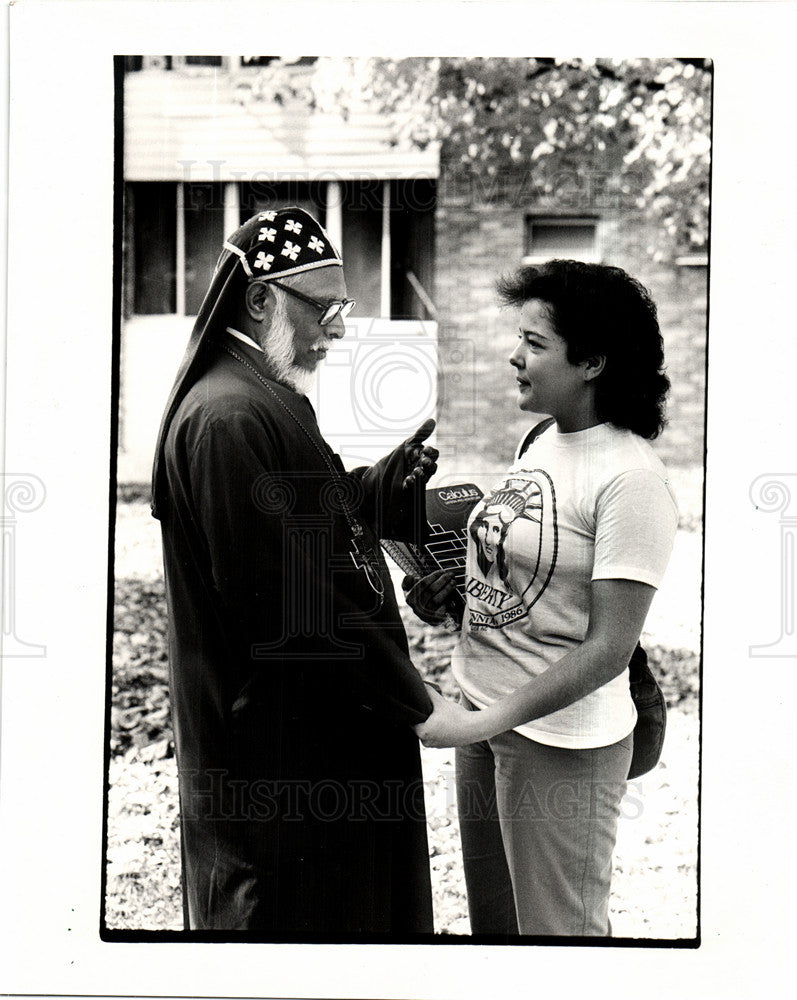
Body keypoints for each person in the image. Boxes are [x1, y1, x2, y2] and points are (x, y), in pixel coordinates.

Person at [151, 207, 440, 937]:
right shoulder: (228, 418)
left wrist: (386, 484)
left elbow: (315, 520)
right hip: (272, 759)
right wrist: (414, 698)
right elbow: (283, 598)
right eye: (324, 308)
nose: (336, 328)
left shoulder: (261, 396)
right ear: (259, 299)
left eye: (340, 308)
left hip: (308, 743)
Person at [408, 260, 678, 937]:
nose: (513, 354)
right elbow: (530, 582)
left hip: (559, 740)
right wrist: (456, 595)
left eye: (533, 342)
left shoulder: (631, 478)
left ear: (590, 361)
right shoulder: (539, 438)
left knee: (559, 942)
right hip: (482, 709)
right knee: (495, 937)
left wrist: (477, 722)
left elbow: (607, 650)